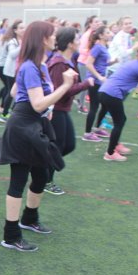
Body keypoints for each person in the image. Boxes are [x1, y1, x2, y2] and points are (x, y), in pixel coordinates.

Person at [0, 21, 77, 252]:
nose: (55, 38)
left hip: (34, 124)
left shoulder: (38, 65)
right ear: (42, 39)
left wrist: (40, 105)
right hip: (22, 128)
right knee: (18, 181)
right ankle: (10, 235)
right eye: (52, 35)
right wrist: (65, 86)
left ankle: (29, 219)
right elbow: (38, 102)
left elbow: (13, 91)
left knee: (40, 176)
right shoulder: (30, 67)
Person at [45, 27, 93, 195]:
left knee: (68, 145)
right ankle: (46, 179)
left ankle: (43, 168)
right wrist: (86, 84)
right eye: (77, 40)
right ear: (70, 43)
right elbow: (60, 91)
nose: (80, 42)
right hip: (56, 109)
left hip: (63, 109)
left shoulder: (68, 60)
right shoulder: (59, 63)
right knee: (57, 146)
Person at [99, 46, 138, 162]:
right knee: (120, 121)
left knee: (118, 120)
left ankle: (115, 144)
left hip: (105, 91)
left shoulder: (135, 64)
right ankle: (110, 153)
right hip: (112, 94)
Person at [83, 26, 115, 141]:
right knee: (94, 107)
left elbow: (103, 64)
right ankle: (87, 134)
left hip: (101, 81)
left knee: (106, 104)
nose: (109, 33)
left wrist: (114, 62)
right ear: (101, 35)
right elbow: (88, 64)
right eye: (107, 32)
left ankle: (97, 129)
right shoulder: (97, 47)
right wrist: (99, 77)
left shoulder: (104, 46)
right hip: (94, 81)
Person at [0, 19, 25, 123]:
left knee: (18, 91)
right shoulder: (12, 41)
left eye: (24, 27)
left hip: (19, 70)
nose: (24, 30)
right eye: (21, 28)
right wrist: (22, 45)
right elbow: (12, 54)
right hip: (11, 71)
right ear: (15, 30)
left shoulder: (23, 41)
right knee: (11, 92)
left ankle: (12, 111)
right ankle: (4, 114)